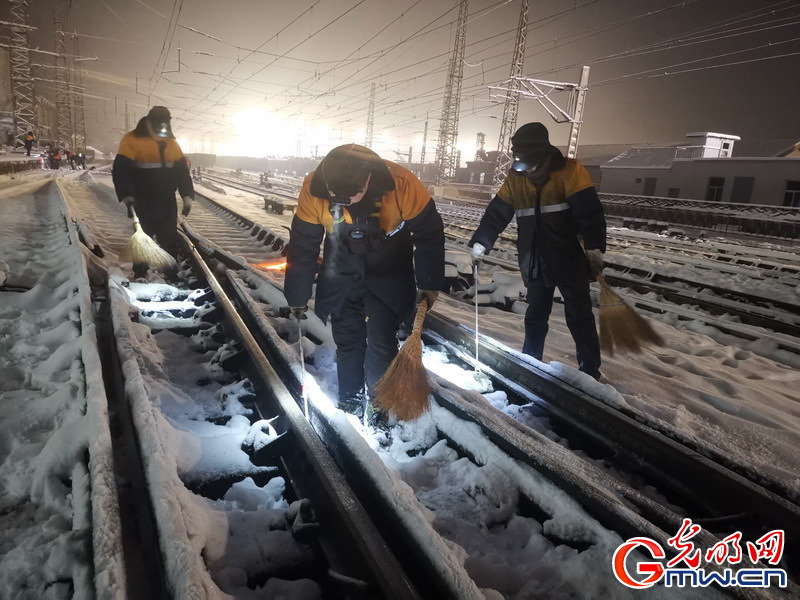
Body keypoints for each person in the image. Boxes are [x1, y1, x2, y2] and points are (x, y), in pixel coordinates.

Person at [284, 143, 445, 423]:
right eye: (338, 197)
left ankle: (378, 408)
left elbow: (429, 233)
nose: (346, 201)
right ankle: (350, 401)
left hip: (389, 265)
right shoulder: (313, 187)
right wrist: (296, 294)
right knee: (348, 341)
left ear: (368, 178)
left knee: (381, 341)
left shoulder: (402, 183)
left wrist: (429, 282)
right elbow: (303, 244)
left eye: (353, 194)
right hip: (341, 267)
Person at [469, 122, 607, 380]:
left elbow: (590, 214)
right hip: (534, 261)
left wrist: (594, 248)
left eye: (530, 165)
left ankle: (590, 371)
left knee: (579, 316)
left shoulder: (570, 172)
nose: (526, 170)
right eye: (521, 164)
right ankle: (530, 362)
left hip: (568, 259)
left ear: (543, 157)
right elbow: (497, 214)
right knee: (535, 316)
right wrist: (482, 241)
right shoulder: (516, 178)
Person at [112, 106, 194, 279]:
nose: (163, 127)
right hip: (142, 200)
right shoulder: (131, 140)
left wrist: (187, 196)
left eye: (166, 123)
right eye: (160, 123)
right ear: (149, 121)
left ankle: (170, 271)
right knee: (143, 237)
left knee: (169, 236)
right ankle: (140, 273)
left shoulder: (171, 143)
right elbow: (121, 170)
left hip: (166, 200)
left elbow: (181, 172)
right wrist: (127, 195)